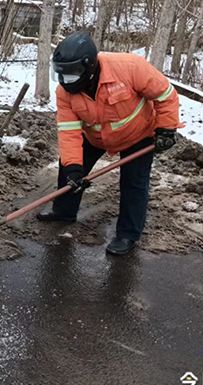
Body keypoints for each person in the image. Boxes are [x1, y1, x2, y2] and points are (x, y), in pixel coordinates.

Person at [38, 31, 181, 255]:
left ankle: (128, 234)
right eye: (61, 75)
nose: (65, 81)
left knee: (134, 183)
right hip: (95, 136)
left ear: (88, 68)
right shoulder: (65, 92)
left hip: (138, 134)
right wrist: (74, 167)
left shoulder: (130, 67)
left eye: (71, 75)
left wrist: (167, 128)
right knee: (69, 169)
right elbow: (69, 132)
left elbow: (166, 95)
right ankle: (64, 211)